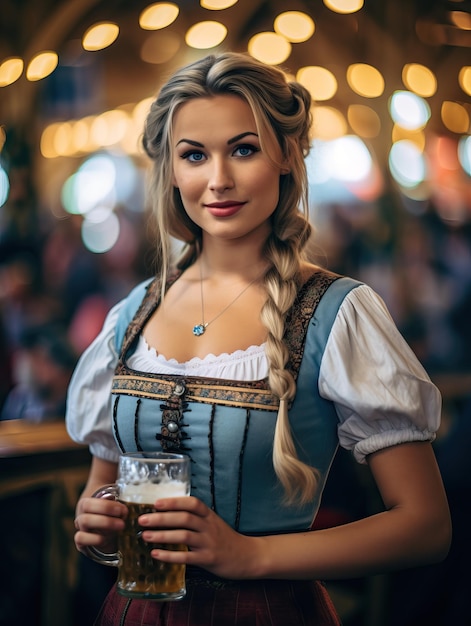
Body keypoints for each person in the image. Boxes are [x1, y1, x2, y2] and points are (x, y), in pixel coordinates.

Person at [66, 52, 451, 625]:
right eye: (194, 155)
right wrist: (96, 525)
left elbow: (426, 526)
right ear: (171, 172)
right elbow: (102, 491)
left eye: (243, 149)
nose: (218, 179)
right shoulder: (132, 313)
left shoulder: (339, 313)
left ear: (287, 157)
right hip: (134, 612)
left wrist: (253, 554)